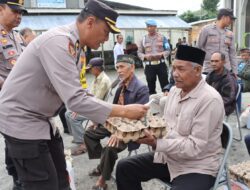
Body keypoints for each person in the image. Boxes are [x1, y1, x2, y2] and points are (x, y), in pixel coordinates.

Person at [0, 1, 148, 190]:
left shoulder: (75, 45)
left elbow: (78, 89)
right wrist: (124, 111)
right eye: (106, 32)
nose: (106, 39)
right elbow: (76, 100)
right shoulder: (59, 42)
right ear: (90, 22)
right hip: (21, 120)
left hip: (40, 119)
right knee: (43, 184)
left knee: (62, 179)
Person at [116, 45, 225, 190]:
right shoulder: (174, 91)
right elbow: (166, 126)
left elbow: (194, 147)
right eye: (174, 68)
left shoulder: (210, 100)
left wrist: (155, 143)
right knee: (124, 168)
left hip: (197, 166)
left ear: (198, 70)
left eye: (181, 69)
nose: (174, 74)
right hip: (170, 158)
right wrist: (144, 129)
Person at [84, 54, 149, 190]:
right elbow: (112, 109)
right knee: (89, 133)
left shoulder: (141, 88)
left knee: (109, 148)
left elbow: (140, 118)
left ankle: (102, 179)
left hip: (131, 128)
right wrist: (99, 120)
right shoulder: (119, 85)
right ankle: (103, 164)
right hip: (115, 124)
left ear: (132, 68)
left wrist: (120, 131)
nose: (118, 70)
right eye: (117, 67)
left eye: (121, 67)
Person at [0, 1, 27, 189]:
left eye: (21, 12)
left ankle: (19, 179)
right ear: (0, 9)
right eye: (15, 11)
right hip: (6, 102)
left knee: (19, 143)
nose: (19, 15)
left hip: (23, 102)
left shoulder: (17, 36)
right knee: (14, 140)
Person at [65, 57, 111, 156]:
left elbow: (96, 100)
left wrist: (80, 107)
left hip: (97, 109)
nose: (89, 71)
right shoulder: (98, 77)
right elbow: (91, 94)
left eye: (91, 69)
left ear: (96, 68)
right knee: (67, 113)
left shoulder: (104, 80)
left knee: (72, 117)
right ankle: (79, 137)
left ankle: (82, 143)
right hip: (93, 106)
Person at [197, 8, 237, 75]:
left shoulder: (230, 34)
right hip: (209, 70)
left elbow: (232, 54)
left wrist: (235, 72)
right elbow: (198, 49)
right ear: (224, 17)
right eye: (230, 19)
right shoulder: (206, 30)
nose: (231, 21)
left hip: (226, 70)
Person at [138, 19, 170, 95]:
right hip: (149, 66)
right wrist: (145, 57)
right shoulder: (143, 39)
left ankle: (167, 101)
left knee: (165, 86)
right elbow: (139, 52)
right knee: (151, 87)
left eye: (151, 26)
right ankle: (152, 103)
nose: (149, 28)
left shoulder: (163, 38)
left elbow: (168, 50)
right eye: (148, 26)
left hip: (161, 65)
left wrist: (162, 54)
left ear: (155, 27)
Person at [206, 52, 237, 116]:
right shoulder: (210, 75)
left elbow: (228, 99)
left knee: (202, 114)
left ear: (223, 62)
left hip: (225, 106)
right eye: (212, 61)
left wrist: (210, 104)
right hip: (211, 103)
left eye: (216, 61)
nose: (213, 64)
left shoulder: (229, 78)